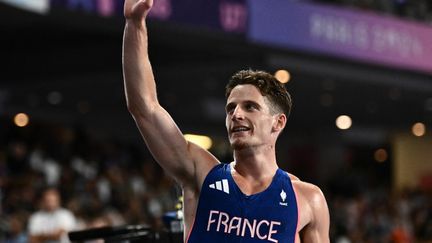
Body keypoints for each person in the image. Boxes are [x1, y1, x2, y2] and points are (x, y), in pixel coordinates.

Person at [122, 0, 330, 242]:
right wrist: (134, 24)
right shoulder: (201, 172)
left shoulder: (307, 200)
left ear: (278, 123)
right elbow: (144, 108)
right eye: (231, 108)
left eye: (250, 107)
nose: (236, 114)